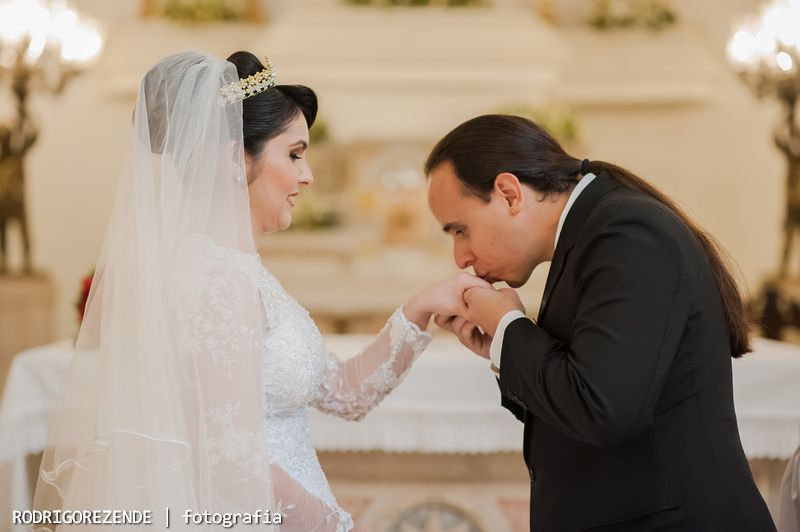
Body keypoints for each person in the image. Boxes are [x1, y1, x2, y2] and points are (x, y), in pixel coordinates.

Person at [31, 50, 486, 532]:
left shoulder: (235, 273)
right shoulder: (215, 282)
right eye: (294, 154)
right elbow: (231, 462)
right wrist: (333, 527)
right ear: (233, 158)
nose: (306, 175)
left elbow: (345, 393)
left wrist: (425, 306)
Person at [425, 114, 777, 531]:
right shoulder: (593, 231)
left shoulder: (625, 232)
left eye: (460, 230)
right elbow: (589, 397)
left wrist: (509, 328)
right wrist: (502, 344)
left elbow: (602, 409)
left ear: (508, 193)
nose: (460, 257)